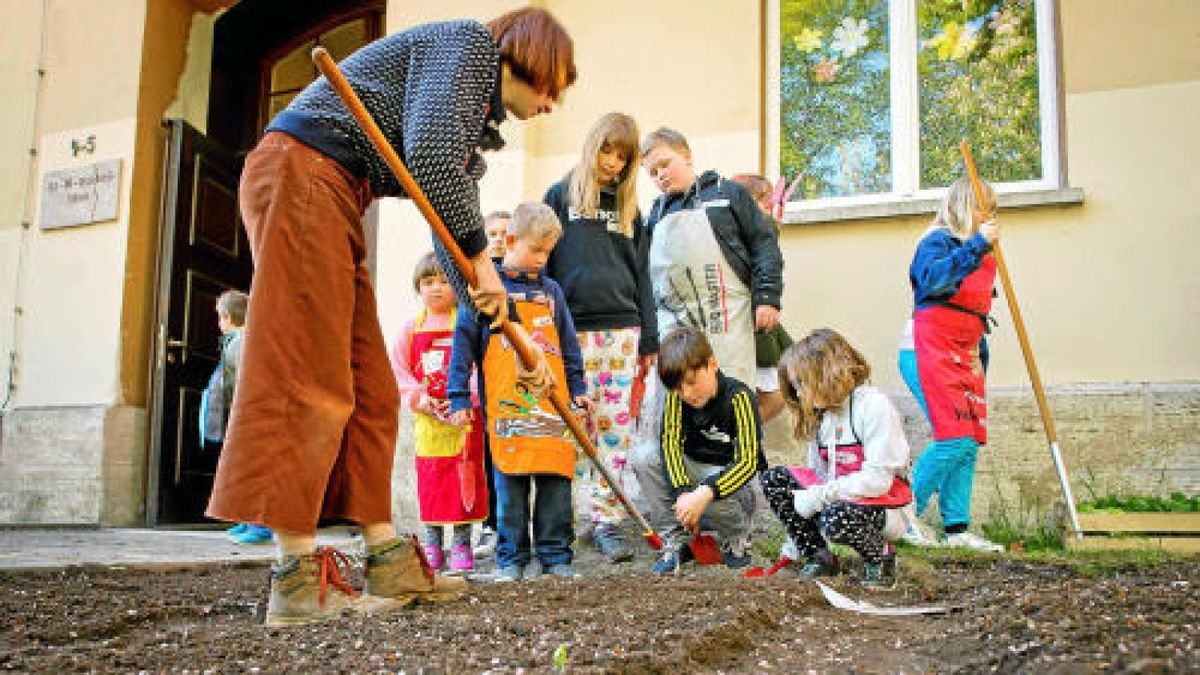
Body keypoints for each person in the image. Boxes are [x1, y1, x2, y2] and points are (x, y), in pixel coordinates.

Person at [205, 8, 577, 626]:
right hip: (300, 174)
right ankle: (295, 577)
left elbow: (449, 221)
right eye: (552, 87)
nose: (551, 104)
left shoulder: (471, 112)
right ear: (532, 57)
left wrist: (498, 317)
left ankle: (386, 558)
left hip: (334, 193)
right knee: (308, 372)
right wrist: (482, 268)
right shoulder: (468, 47)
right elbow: (429, 158)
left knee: (371, 386)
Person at [447, 203, 592, 582]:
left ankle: (556, 556)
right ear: (510, 241)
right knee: (509, 489)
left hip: (552, 407)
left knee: (555, 485)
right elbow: (462, 346)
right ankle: (510, 560)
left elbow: (568, 344)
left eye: (548, 253)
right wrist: (458, 395)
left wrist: (578, 388)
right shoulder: (482, 291)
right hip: (507, 409)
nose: (543, 260)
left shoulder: (552, 292)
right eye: (536, 251)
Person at [543, 112, 658, 564]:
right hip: (570, 331)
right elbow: (543, 265)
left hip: (622, 332)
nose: (612, 163)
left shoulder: (629, 210)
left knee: (613, 429)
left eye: (623, 156)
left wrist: (649, 337)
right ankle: (559, 523)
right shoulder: (558, 196)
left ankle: (606, 522)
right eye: (607, 151)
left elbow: (643, 274)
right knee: (570, 426)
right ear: (593, 147)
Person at [896, 178, 1004, 552]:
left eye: (992, 209)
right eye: (981, 207)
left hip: (967, 352)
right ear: (962, 205)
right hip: (928, 349)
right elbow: (933, 281)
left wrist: (980, 362)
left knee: (970, 441)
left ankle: (956, 528)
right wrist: (976, 245)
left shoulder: (984, 254)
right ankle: (903, 515)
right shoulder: (937, 242)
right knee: (953, 437)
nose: (987, 216)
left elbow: (974, 310)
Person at [760, 329, 912, 589]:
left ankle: (881, 558)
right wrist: (796, 535)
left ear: (829, 371)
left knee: (837, 518)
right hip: (838, 500)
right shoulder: (822, 416)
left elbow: (878, 481)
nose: (799, 394)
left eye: (802, 382)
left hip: (882, 507)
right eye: (795, 386)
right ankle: (819, 557)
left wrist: (819, 497)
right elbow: (818, 475)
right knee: (775, 480)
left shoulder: (873, 406)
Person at [632, 326, 765, 574]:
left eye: (692, 383)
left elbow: (748, 461)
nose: (687, 394)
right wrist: (682, 493)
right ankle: (676, 539)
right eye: (679, 388)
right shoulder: (677, 397)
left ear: (712, 365)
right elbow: (669, 443)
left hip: (736, 484)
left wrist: (704, 493)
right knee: (644, 458)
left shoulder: (740, 397)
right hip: (694, 474)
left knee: (719, 492)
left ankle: (736, 535)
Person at [390, 252, 487, 574]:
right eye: (428, 282)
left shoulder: (468, 323)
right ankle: (432, 544)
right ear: (418, 287)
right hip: (428, 422)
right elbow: (400, 370)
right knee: (432, 482)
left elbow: (479, 365)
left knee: (465, 481)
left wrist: (466, 399)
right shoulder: (409, 329)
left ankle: (461, 544)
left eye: (445, 281)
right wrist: (421, 399)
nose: (436, 288)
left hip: (464, 419)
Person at [198, 290, 269, 545]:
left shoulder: (242, 343)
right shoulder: (236, 341)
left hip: (248, 417)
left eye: (219, 317)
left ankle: (260, 524)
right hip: (238, 417)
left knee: (252, 470)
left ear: (227, 317)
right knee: (240, 470)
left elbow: (246, 381)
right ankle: (245, 517)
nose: (219, 322)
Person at [729, 173, 792, 424]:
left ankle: (746, 431)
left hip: (759, 319)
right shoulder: (741, 229)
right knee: (777, 386)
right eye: (765, 201)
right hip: (753, 321)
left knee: (790, 370)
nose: (770, 206)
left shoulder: (754, 230)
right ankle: (745, 433)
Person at [475, 209, 512, 558]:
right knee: (489, 453)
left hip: (517, 379)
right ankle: (490, 525)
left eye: (505, 232)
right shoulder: (474, 280)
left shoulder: (527, 278)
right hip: (487, 381)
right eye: (493, 233)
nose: (499, 238)